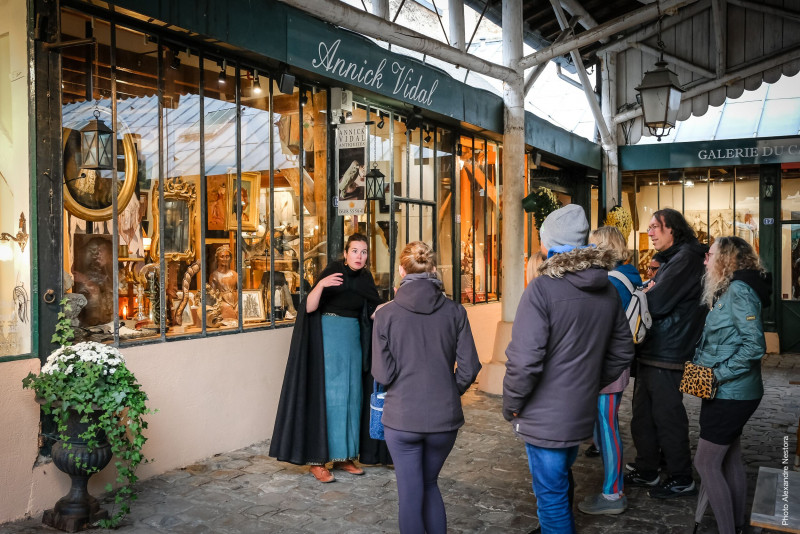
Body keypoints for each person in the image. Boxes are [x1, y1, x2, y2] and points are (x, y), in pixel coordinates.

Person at [503, 204, 634, 534]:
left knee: (551, 499)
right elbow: (622, 352)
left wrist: (512, 404)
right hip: (578, 409)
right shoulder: (605, 288)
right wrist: (589, 384)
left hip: (544, 415)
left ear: (549, 243)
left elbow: (524, 360)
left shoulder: (542, 289)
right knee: (560, 482)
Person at [372, 241, 481, 534]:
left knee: (410, 494)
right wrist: (448, 390)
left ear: (400, 270)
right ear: (433, 269)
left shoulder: (385, 315)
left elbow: (382, 373)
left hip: (402, 417)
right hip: (443, 419)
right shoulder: (455, 311)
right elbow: (470, 367)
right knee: (430, 484)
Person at [269, 233, 387, 482]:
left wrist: (392, 306)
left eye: (364, 252)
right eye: (355, 251)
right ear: (345, 254)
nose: (359, 256)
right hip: (329, 340)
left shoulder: (365, 278)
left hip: (353, 341)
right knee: (330, 397)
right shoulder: (333, 271)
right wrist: (321, 285)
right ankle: (319, 460)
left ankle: (344, 456)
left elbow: (372, 312)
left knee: (351, 397)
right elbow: (309, 307)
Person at [626, 208, 708, 499]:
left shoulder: (686, 257)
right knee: (643, 415)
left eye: (655, 227)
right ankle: (648, 469)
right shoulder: (677, 257)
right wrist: (648, 290)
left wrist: (645, 292)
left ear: (672, 228)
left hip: (669, 350)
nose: (650, 232)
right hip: (655, 348)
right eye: (649, 227)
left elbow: (657, 303)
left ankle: (680, 476)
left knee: (667, 415)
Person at [692, 236, 768, 534]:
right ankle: (737, 526)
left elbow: (754, 346)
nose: (705, 260)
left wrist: (717, 374)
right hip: (730, 391)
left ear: (725, 259)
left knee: (706, 462)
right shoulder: (733, 289)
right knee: (730, 458)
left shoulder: (739, 291)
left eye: (709, 254)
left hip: (731, 392)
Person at [577, 226, 643, 516]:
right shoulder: (627, 274)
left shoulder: (613, 282)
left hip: (608, 366)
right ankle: (611, 486)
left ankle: (613, 492)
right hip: (614, 363)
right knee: (606, 426)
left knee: (608, 427)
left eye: (593, 245)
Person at [208, 245, 238, 321]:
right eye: (222, 256)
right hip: (223, 305)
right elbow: (212, 296)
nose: (225, 259)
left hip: (236, 303)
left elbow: (241, 291)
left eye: (227, 256)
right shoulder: (214, 275)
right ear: (217, 258)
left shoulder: (235, 274)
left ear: (230, 258)